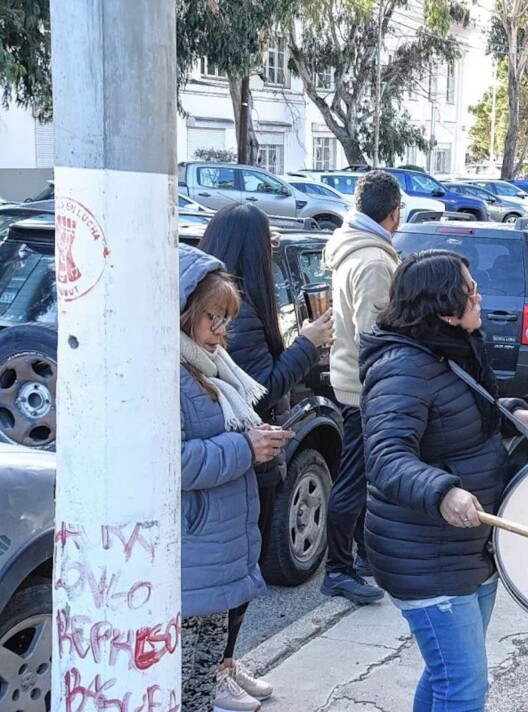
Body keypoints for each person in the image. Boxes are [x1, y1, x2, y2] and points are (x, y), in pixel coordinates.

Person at [358, 249, 528, 710]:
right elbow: (386, 457)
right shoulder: (402, 368)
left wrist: (513, 415)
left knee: (448, 674)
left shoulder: (445, 352)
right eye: (469, 291)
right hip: (426, 555)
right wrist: (442, 490)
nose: (479, 296)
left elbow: (460, 419)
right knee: (464, 685)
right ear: (443, 308)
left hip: (464, 550)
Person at [199, 203, 335, 710]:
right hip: (245, 453)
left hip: (244, 453)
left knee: (235, 571)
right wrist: (307, 344)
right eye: (269, 244)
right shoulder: (240, 311)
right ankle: (215, 675)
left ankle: (225, 667)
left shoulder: (224, 303)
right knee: (230, 574)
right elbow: (261, 390)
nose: (273, 252)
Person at [178, 245, 293, 711]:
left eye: (227, 320)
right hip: (193, 556)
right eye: (213, 319)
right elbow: (174, 463)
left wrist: (252, 440)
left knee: (201, 680)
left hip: (211, 554)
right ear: (183, 312)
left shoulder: (206, 368)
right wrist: (246, 447)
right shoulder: (166, 371)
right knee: (188, 687)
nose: (222, 334)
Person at [321, 170, 404, 604]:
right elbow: (375, 335)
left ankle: (360, 556)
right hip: (363, 385)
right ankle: (337, 569)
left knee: (362, 474)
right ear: (393, 214)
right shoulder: (372, 261)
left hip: (353, 378)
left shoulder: (359, 249)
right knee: (355, 478)